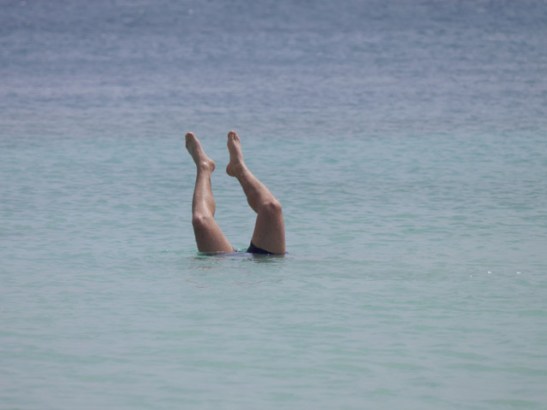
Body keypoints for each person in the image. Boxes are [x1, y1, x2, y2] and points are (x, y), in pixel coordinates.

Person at [185, 130, 286, 255]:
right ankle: (227, 167)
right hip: (256, 258)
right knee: (272, 207)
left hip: (227, 261)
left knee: (200, 221)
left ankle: (210, 167)